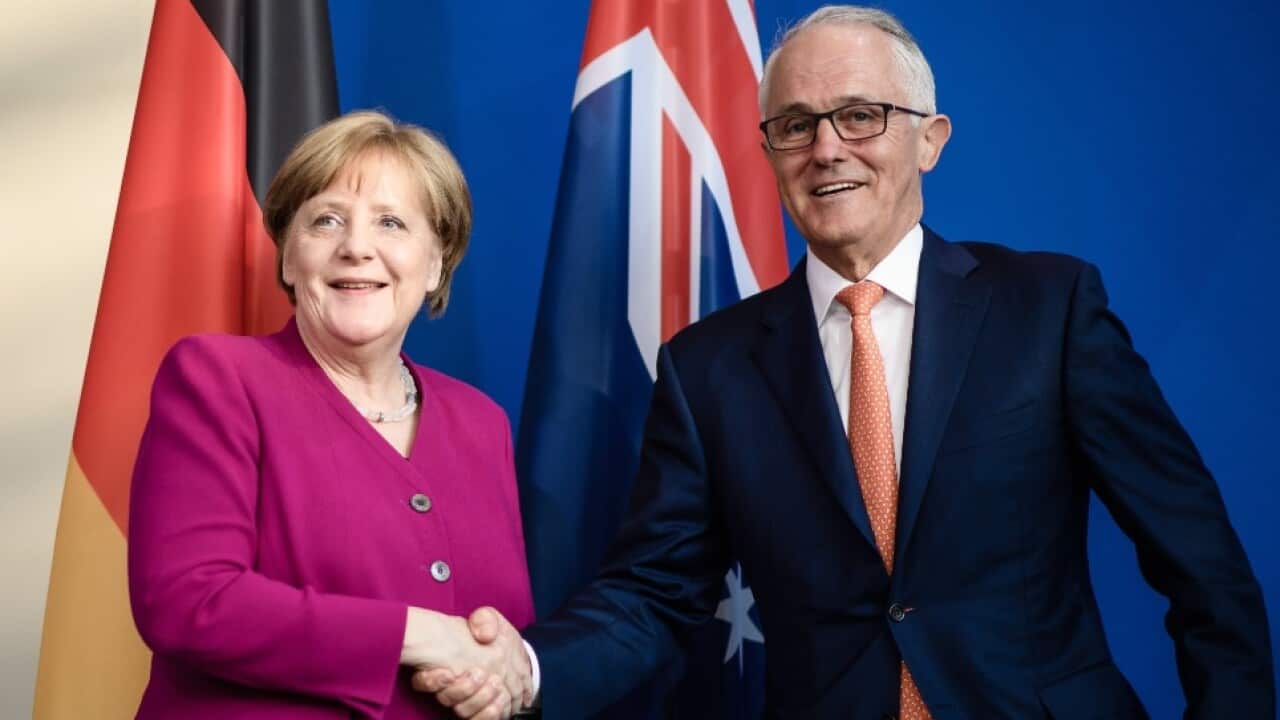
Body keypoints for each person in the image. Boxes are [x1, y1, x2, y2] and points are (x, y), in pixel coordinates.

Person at [423, 5, 1276, 719]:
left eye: (860, 115)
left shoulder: (1049, 309)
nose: (826, 148)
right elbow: (651, 594)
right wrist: (527, 671)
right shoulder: (707, 369)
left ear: (930, 139)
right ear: (768, 155)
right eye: (794, 125)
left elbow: (1199, 558)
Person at [127, 110, 537, 719]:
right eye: (326, 221)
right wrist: (419, 634)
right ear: (290, 257)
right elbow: (188, 599)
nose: (356, 248)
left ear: (435, 263)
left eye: (391, 223)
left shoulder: (481, 422)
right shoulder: (218, 378)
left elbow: (498, 627)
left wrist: (511, 670)